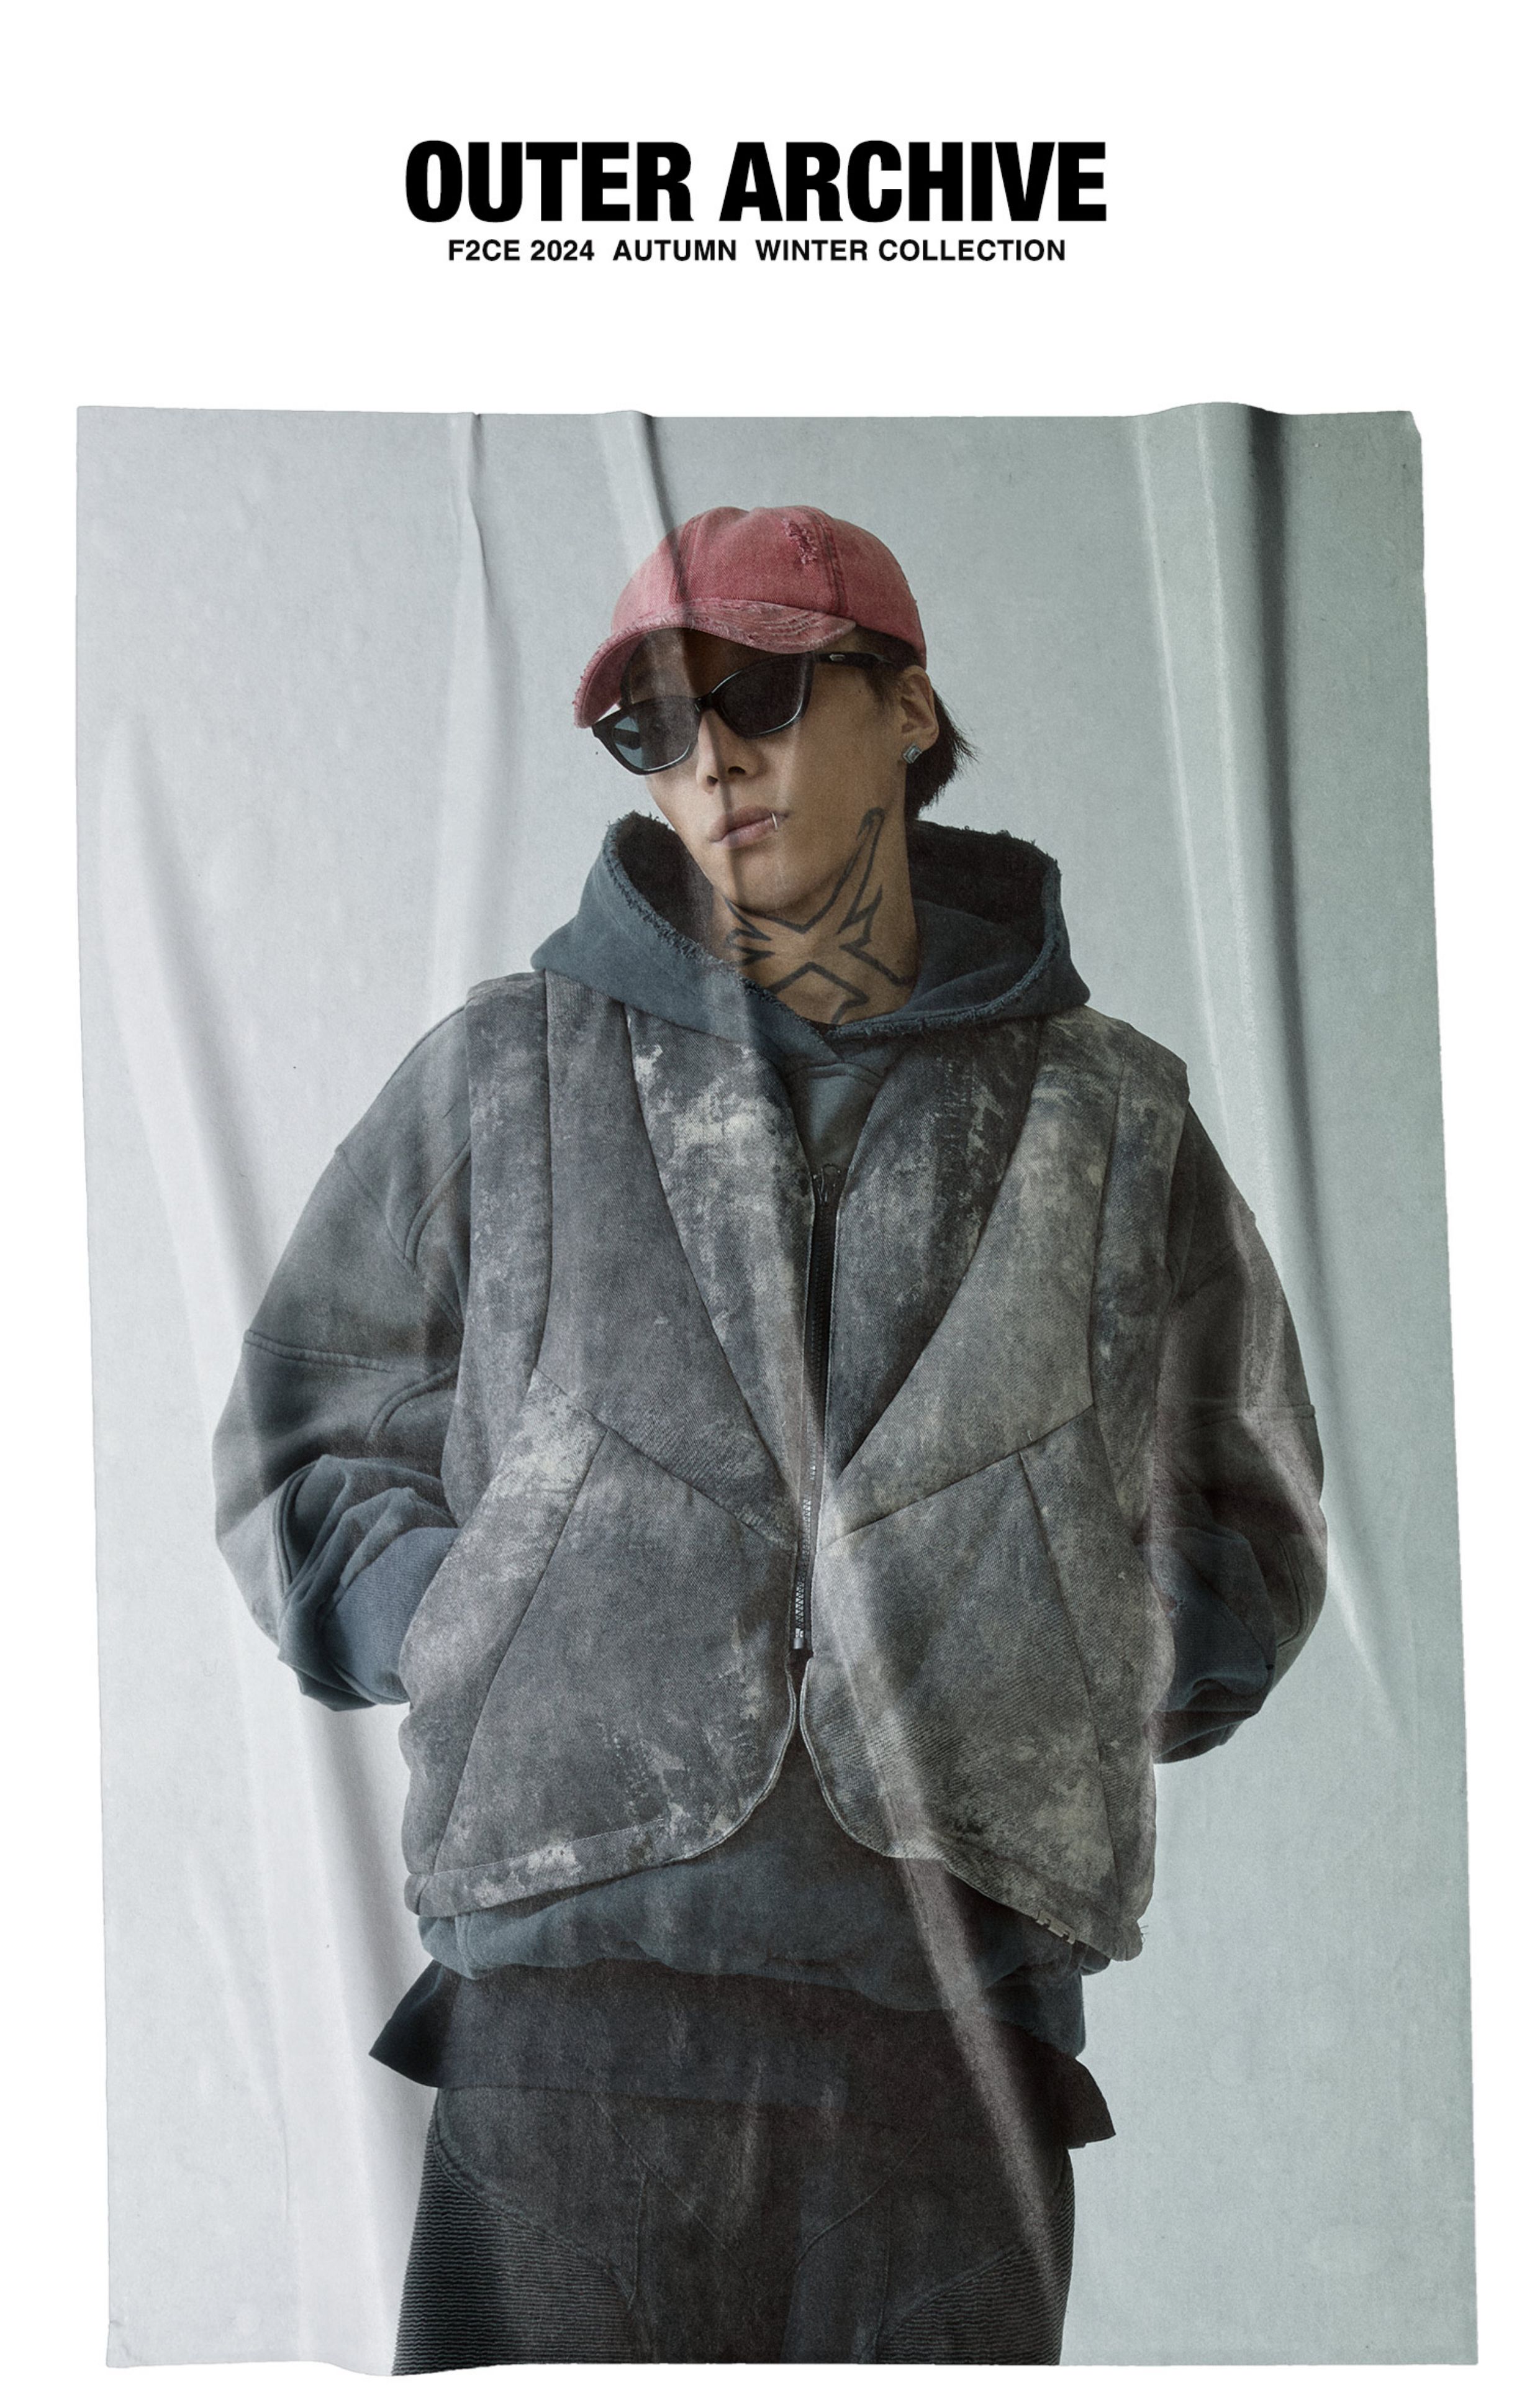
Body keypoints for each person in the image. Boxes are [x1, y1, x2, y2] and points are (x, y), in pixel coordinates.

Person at [214, 503, 1327, 2367]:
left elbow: (1252, 1511)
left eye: (761, 693)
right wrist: (485, 1623)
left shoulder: (1111, 1120)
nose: (711, 756)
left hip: (950, 2043)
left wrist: (1070, 1656)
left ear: (910, 710)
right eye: (655, 726)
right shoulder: (505, 1074)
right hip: (567, 2026)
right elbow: (299, 1444)